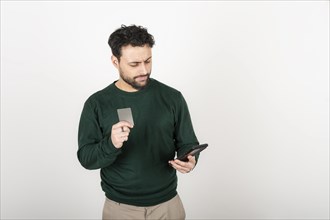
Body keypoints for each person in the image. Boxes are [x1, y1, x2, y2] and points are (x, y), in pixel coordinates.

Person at [77, 24, 200, 220]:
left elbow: (188, 143)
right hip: (120, 208)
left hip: (168, 205)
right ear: (115, 62)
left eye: (148, 61)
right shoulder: (97, 103)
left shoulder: (172, 97)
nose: (144, 70)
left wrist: (190, 160)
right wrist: (111, 144)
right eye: (134, 64)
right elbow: (86, 158)